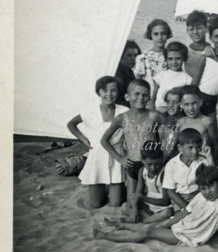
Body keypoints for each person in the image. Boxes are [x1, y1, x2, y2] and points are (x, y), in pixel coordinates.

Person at [95, 165, 218, 250]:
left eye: (211, 186)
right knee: (154, 227)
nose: (208, 192)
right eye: (204, 188)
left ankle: (108, 236)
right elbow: (184, 213)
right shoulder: (201, 196)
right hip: (181, 226)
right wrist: (168, 225)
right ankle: (119, 225)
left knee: (148, 231)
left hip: (186, 237)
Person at [67, 76, 128, 209]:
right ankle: (101, 191)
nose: (109, 94)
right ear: (98, 92)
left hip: (117, 156)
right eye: (105, 90)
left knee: (116, 204)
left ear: (118, 92)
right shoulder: (90, 112)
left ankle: (113, 190)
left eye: (113, 90)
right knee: (95, 204)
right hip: (97, 157)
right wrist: (84, 140)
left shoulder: (124, 111)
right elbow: (71, 124)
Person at [100, 79, 166, 197]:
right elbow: (104, 140)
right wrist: (120, 158)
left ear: (149, 98)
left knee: (153, 195)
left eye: (145, 95)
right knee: (132, 199)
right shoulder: (122, 118)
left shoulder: (154, 115)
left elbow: (173, 130)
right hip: (132, 164)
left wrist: (165, 154)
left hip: (152, 164)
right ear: (127, 96)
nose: (140, 98)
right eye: (136, 94)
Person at [191, 18, 218, 118]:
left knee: (213, 131)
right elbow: (194, 85)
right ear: (211, 39)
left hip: (213, 100)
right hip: (199, 99)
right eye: (217, 36)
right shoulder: (205, 57)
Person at [162, 128, 209, 211]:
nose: (195, 151)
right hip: (179, 200)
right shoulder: (172, 164)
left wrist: (209, 157)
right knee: (180, 219)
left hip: (198, 197)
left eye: (198, 147)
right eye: (190, 148)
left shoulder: (203, 162)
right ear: (180, 148)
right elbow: (170, 192)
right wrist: (187, 208)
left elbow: (212, 178)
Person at [123, 147, 173, 224]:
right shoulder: (142, 171)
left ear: (161, 159)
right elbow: (137, 194)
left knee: (168, 212)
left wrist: (143, 198)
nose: (153, 168)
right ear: (142, 160)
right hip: (149, 207)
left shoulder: (164, 174)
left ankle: (143, 221)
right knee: (125, 206)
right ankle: (152, 220)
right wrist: (135, 211)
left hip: (163, 207)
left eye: (156, 164)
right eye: (149, 165)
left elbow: (166, 201)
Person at [176, 85, 218, 166]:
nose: (191, 108)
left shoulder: (207, 122)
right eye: (186, 104)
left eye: (194, 103)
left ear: (200, 102)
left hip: (203, 163)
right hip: (185, 163)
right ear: (181, 105)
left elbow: (216, 145)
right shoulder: (180, 123)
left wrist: (213, 167)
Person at [151, 42, 192, 112]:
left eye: (178, 58)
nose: (174, 62)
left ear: (184, 59)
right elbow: (153, 95)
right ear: (166, 59)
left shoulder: (187, 79)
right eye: (170, 59)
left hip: (177, 111)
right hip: (160, 109)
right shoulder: (161, 75)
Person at [134, 19, 172, 90]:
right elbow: (138, 83)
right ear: (150, 35)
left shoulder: (172, 57)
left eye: (163, 33)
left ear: (167, 35)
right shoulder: (143, 58)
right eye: (156, 34)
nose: (160, 37)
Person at [184, 11, 210, 78]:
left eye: (199, 28)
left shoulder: (211, 51)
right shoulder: (185, 52)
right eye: (191, 29)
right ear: (187, 31)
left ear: (206, 29)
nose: (195, 32)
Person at [115, 41, 140, 107]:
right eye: (129, 55)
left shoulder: (129, 70)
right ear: (120, 56)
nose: (133, 59)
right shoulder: (117, 73)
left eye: (135, 55)